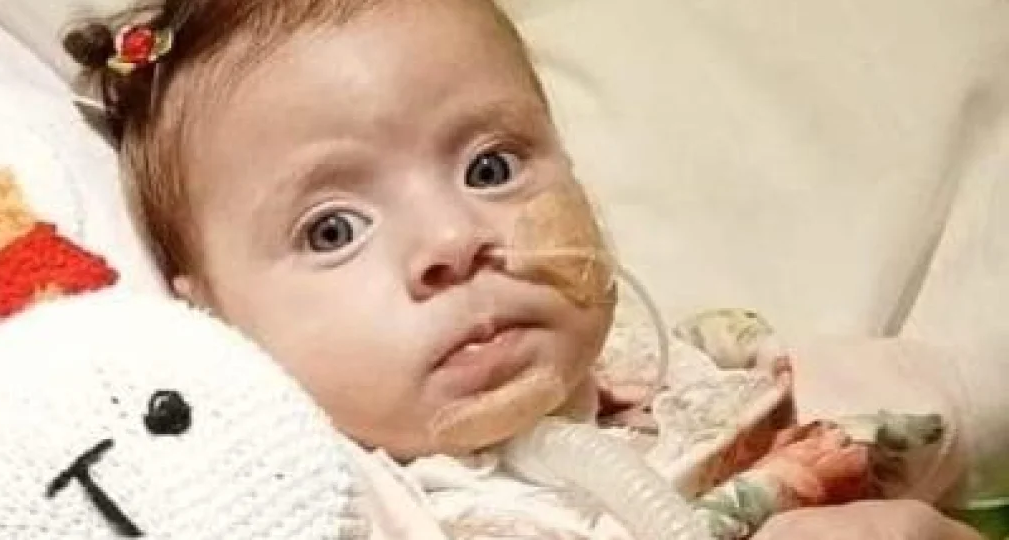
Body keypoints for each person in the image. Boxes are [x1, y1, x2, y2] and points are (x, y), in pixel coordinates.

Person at [63, 0, 980, 537]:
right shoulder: (343, 508)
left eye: (491, 168)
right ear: (212, 322)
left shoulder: (724, 380)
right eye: (333, 228)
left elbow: (949, 417)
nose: (454, 241)